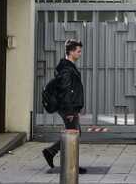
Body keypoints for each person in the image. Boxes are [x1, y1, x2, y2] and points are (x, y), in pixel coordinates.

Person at [42, 39, 87, 174]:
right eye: (78, 51)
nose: (80, 54)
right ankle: (71, 165)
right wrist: (70, 111)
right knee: (73, 135)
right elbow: (66, 91)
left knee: (75, 133)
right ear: (71, 51)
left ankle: (51, 152)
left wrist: (75, 109)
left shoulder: (67, 67)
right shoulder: (67, 69)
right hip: (68, 108)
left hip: (70, 108)